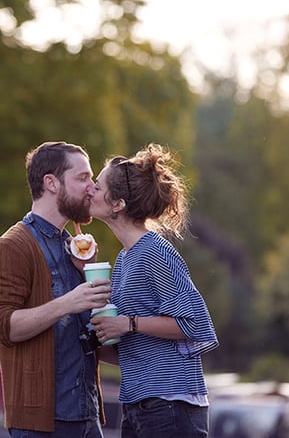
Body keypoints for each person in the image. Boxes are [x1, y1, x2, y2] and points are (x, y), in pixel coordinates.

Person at [88, 143, 219, 438]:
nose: (89, 192)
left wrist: (128, 323)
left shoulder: (155, 252)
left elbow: (194, 323)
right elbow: (137, 348)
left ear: (117, 204)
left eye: (96, 187)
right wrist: (94, 340)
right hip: (139, 403)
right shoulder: (125, 258)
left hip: (170, 404)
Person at [0, 141, 112, 438]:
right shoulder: (12, 246)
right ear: (51, 183)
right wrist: (67, 302)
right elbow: (3, 327)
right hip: (41, 425)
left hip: (87, 417)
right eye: (82, 178)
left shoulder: (74, 247)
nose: (91, 188)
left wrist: (88, 273)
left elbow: (88, 333)